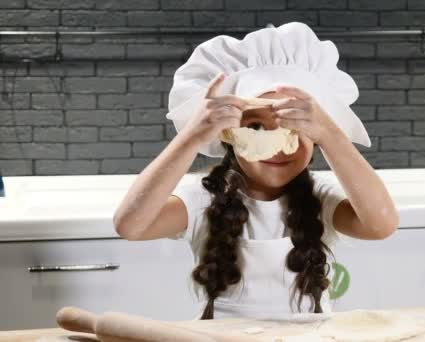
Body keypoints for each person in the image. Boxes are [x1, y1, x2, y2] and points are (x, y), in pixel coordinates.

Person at [113, 22, 398, 321]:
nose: (277, 146)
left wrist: (332, 134)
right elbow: (131, 226)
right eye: (256, 127)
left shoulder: (320, 199)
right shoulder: (204, 200)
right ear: (229, 135)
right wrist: (191, 137)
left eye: (292, 127)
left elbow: (382, 225)